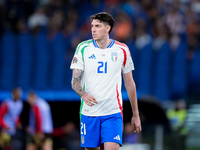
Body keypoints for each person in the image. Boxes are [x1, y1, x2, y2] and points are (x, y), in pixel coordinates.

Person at [70, 12, 141, 150]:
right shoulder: (83, 48)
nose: (93, 29)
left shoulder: (122, 50)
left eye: (97, 26)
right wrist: (84, 95)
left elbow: (130, 84)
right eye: (92, 26)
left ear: (108, 28)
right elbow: (74, 82)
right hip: (89, 113)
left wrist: (135, 114)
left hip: (112, 112)